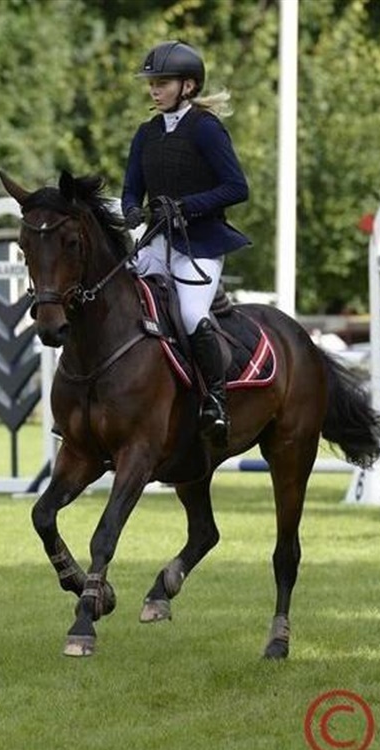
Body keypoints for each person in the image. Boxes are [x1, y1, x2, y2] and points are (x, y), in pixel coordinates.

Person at [121, 40, 250, 446]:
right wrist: (131, 211)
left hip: (201, 245)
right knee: (120, 302)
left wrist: (186, 207)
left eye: (162, 83)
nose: (154, 90)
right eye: (152, 83)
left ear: (188, 86)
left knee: (192, 314)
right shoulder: (146, 134)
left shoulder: (206, 129)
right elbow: (131, 189)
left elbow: (236, 187)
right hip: (156, 241)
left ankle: (216, 401)